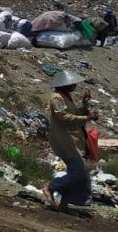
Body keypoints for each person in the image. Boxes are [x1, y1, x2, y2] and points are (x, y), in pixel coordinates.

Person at [41, 70, 98, 209]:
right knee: (78, 174)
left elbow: (75, 114)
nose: (75, 86)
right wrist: (87, 118)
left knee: (81, 174)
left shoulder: (66, 97)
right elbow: (64, 118)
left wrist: (84, 106)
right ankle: (50, 187)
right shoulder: (57, 98)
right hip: (65, 140)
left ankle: (65, 202)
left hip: (73, 140)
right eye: (72, 83)